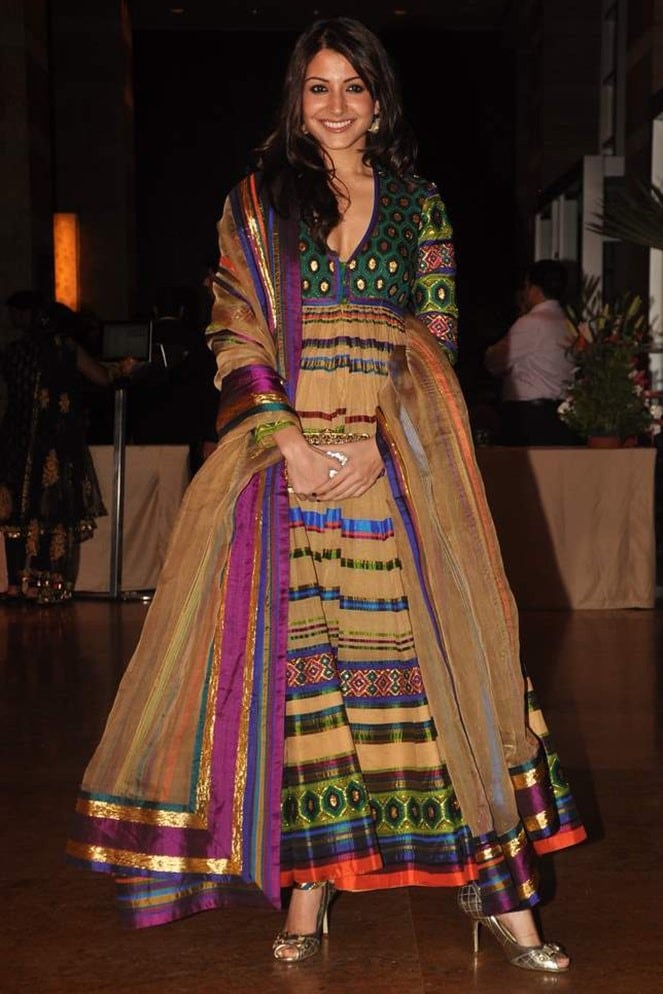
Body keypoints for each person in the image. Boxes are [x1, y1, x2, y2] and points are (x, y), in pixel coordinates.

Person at [66, 17, 585, 972]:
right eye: (319, 86)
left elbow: (435, 337)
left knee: (435, 665)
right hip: (288, 463)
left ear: (378, 102)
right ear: (295, 101)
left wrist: (385, 447)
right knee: (305, 677)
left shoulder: (419, 204)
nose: (337, 104)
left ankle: (500, 895)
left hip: (397, 462)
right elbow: (234, 329)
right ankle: (309, 889)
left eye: (354, 86)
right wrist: (290, 443)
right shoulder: (256, 203)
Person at [0, 296, 111, 602]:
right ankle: (46, 582)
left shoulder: (14, 351)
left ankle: (15, 584)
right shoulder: (65, 348)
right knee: (50, 507)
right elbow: (101, 377)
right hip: (53, 441)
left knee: (16, 510)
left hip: (16, 438)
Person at [484, 259, 580, 445]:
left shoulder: (532, 323)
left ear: (535, 289)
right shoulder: (567, 323)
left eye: (526, 286)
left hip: (530, 417)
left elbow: (494, 361)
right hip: (560, 416)